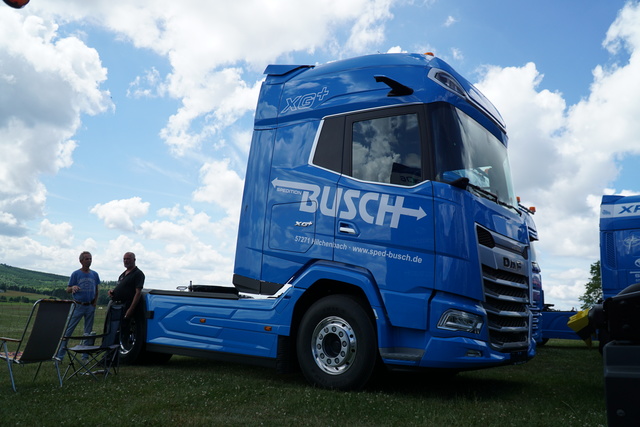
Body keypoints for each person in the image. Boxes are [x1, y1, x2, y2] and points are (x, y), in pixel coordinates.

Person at [57, 251, 100, 362]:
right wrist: (73, 287)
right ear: (81, 261)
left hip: (90, 306)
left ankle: (84, 356)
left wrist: (94, 302)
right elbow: (67, 289)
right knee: (68, 331)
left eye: (90, 258)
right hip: (78, 306)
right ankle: (59, 356)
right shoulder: (75, 274)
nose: (89, 261)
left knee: (88, 333)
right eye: (87, 259)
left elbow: (97, 290)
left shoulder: (94, 274)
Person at [108, 252, 145, 318]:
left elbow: (138, 293)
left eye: (128, 259)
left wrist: (131, 309)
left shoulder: (138, 274)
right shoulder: (123, 275)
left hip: (127, 306)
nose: (126, 261)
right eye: (124, 259)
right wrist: (113, 292)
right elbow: (121, 287)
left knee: (124, 327)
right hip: (117, 306)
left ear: (134, 260)